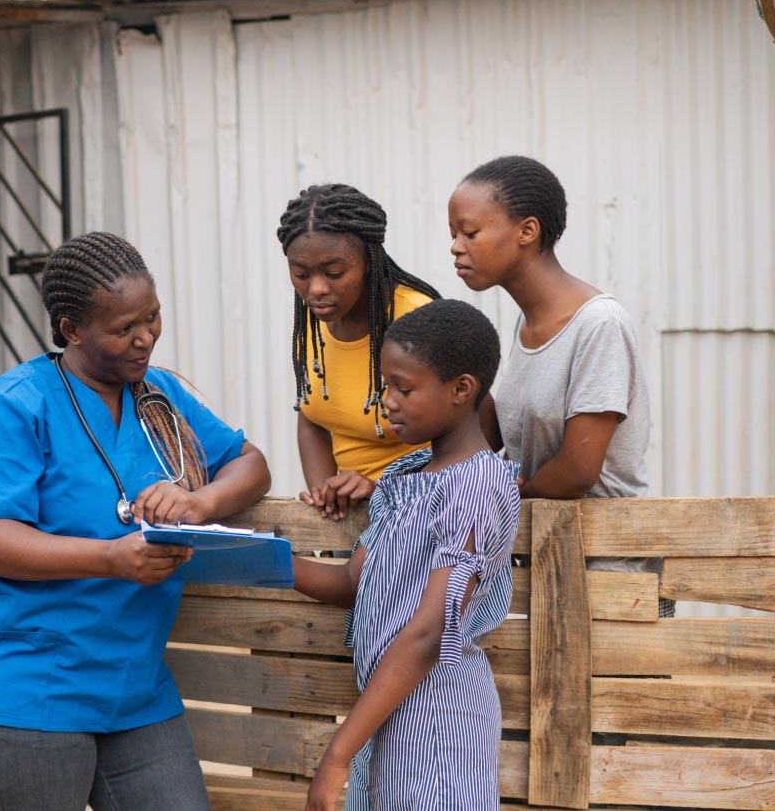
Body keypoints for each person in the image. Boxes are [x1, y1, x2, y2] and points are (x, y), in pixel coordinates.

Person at [0, 231, 271, 811]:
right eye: (123, 328)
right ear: (71, 330)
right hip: (29, 696)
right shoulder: (13, 405)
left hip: (134, 693)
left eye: (153, 317)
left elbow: (250, 464)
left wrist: (199, 503)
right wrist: (110, 558)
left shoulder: (159, 396)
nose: (146, 338)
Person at [294, 300, 521, 811]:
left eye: (403, 388)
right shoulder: (406, 475)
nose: (387, 402)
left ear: (461, 389)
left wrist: (337, 756)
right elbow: (353, 583)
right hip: (388, 713)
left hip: (440, 727)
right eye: (384, 386)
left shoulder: (477, 486)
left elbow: (428, 634)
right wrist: (256, 560)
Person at [447, 155, 670, 616]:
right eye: (454, 234)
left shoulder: (599, 325)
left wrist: (499, 497)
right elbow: (505, 440)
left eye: (469, 233)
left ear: (527, 231)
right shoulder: (526, 326)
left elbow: (576, 471)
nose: (455, 247)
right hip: (548, 563)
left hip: (608, 577)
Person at [276, 184, 441, 520]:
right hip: (354, 520)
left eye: (334, 273)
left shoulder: (418, 320)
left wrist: (387, 489)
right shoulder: (313, 325)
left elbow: (476, 428)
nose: (316, 289)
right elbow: (312, 417)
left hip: (427, 515)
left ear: (368, 261)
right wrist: (326, 494)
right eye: (301, 274)